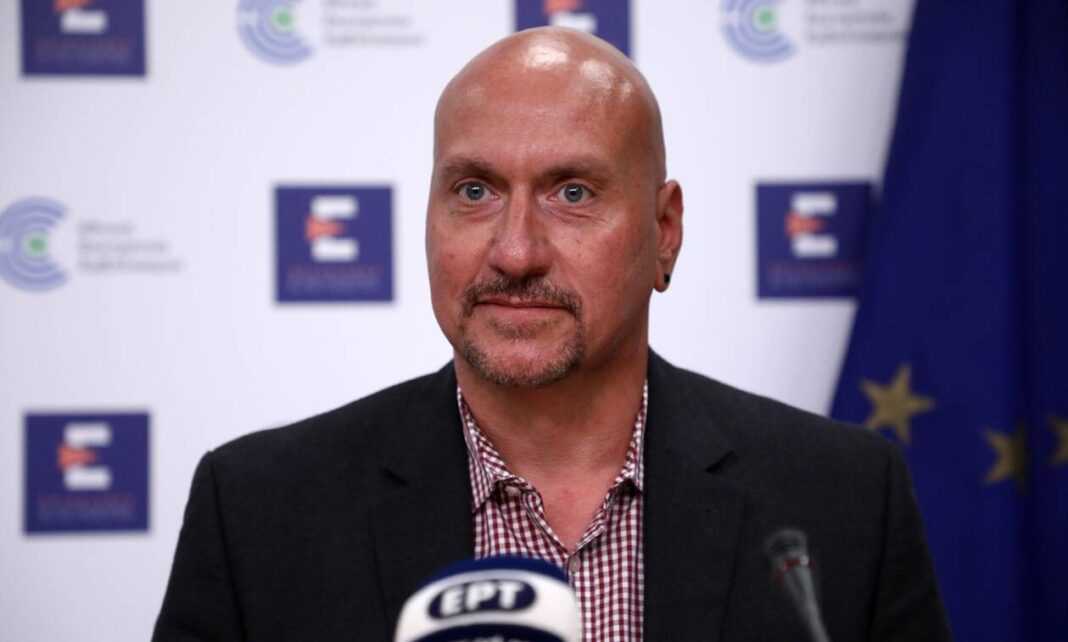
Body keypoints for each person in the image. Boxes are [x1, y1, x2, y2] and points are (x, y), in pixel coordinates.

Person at [153, 27, 950, 642]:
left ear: (665, 232)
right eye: (474, 191)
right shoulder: (258, 512)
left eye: (572, 192)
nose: (515, 252)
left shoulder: (843, 501)